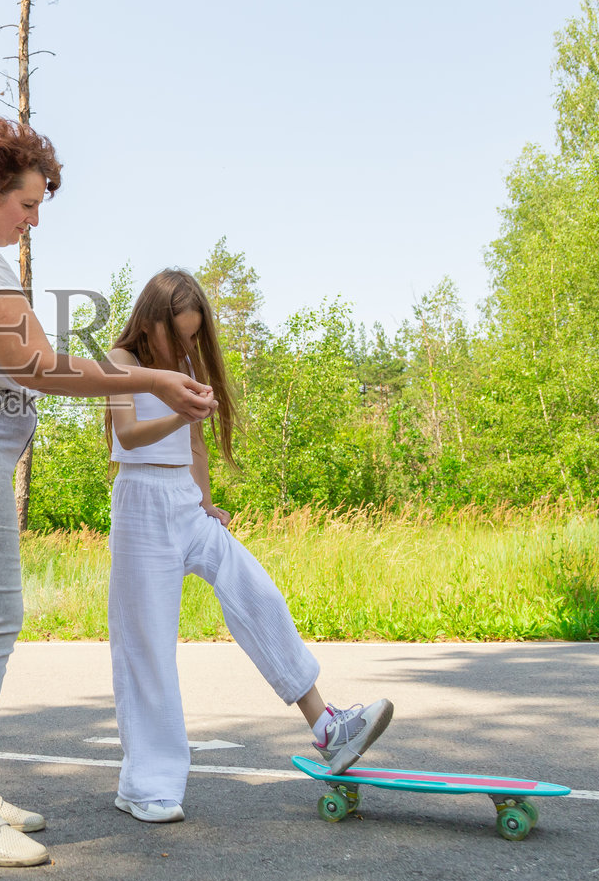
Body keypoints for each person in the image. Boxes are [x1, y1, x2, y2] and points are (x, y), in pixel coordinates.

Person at [0, 118, 217, 868]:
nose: (34, 220)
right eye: (27, 204)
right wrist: (149, 376)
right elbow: (36, 365)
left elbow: (27, 361)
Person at [104, 268, 392, 823]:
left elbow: (197, 446)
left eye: (192, 337)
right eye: (178, 334)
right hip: (140, 508)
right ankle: (146, 784)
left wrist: (206, 501)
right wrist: (176, 410)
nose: (185, 346)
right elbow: (125, 437)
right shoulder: (122, 363)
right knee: (148, 648)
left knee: (256, 590)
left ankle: (326, 725)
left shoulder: (182, 367)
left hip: (186, 506)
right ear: (151, 320)